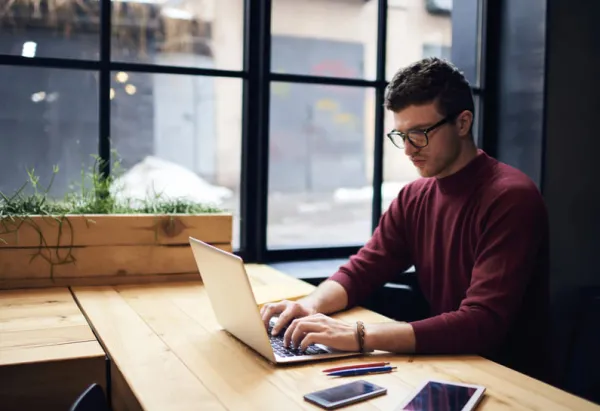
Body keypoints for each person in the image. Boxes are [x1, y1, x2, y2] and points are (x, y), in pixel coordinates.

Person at [260, 57, 550, 382]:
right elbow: (363, 270)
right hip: (447, 366)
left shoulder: (511, 197)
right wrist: (310, 306)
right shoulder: (415, 196)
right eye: (401, 135)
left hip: (507, 379)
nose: (408, 150)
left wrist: (358, 336)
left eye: (420, 134)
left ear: (463, 123)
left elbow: (482, 324)